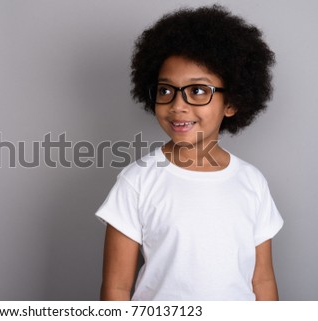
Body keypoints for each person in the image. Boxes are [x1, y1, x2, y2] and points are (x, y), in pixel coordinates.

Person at [95, 5, 284, 301]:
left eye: (197, 91)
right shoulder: (137, 181)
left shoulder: (252, 182)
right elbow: (116, 288)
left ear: (232, 102)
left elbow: (262, 280)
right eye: (166, 90)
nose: (178, 105)